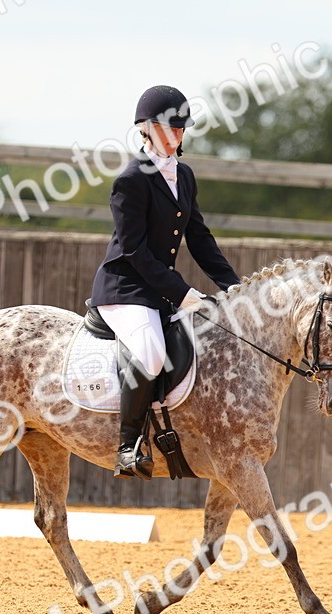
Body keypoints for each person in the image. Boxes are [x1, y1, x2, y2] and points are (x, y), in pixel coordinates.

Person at [90, 85, 242, 478]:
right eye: (169, 129)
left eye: (180, 129)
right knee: (152, 352)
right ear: (146, 129)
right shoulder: (130, 179)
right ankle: (128, 447)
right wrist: (185, 293)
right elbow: (135, 253)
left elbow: (201, 238)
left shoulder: (185, 176)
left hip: (158, 291)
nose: (177, 136)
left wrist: (234, 288)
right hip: (125, 289)